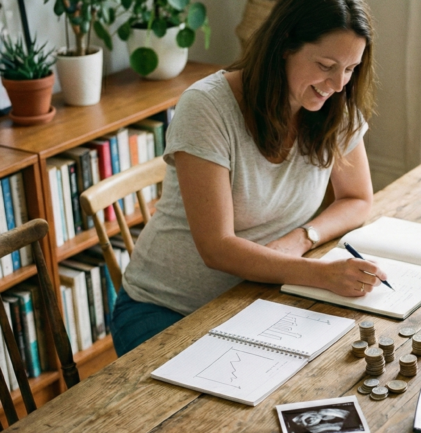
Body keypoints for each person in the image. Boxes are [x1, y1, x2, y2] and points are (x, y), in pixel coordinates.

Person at [111, 0, 387, 357]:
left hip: (258, 295)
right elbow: (216, 247)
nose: (337, 84)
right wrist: (321, 274)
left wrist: (303, 237)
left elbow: (357, 198)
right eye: (325, 66)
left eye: (351, 69)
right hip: (170, 308)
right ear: (285, 46)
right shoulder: (207, 107)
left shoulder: (334, 104)